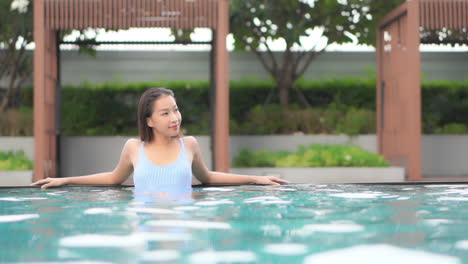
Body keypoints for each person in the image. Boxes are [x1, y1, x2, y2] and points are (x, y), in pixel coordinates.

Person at [31, 87, 287, 191]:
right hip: (145, 226)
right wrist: (66, 179)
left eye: (175, 109)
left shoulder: (189, 145)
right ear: (149, 121)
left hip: (183, 225)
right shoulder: (134, 147)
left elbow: (207, 177)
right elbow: (113, 178)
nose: (174, 117)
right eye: (165, 113)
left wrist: (256, 178)